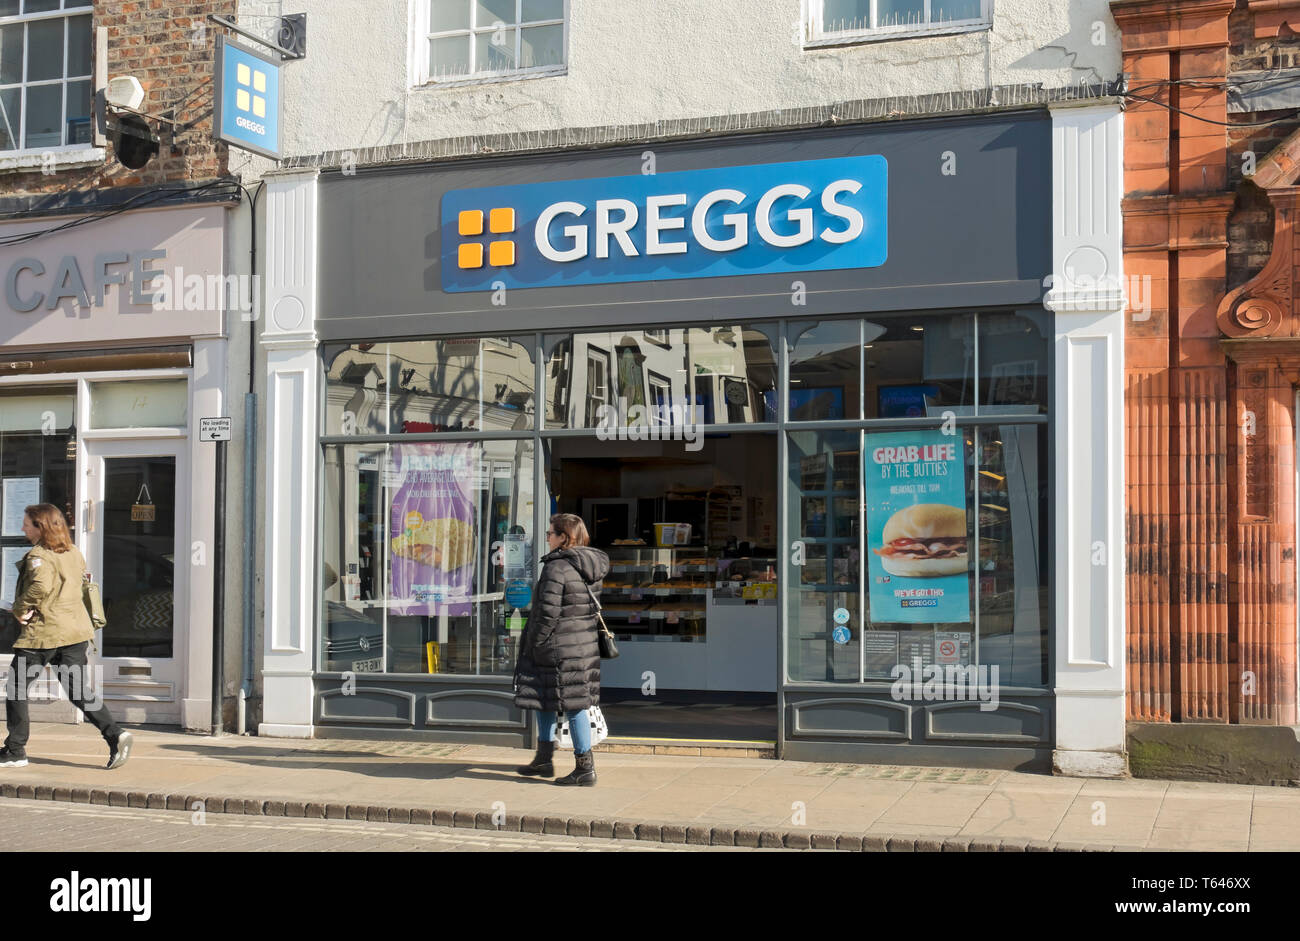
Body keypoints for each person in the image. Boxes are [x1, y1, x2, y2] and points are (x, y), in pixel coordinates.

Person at [0, 504, 132, 770]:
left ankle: (15, 751)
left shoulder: (39, 556)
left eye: (27, 523)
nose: (22, 527)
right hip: (74, 632)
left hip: (43, 635)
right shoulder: (72, 552)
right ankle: (115, 734)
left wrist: (18, 608)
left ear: (41, 527)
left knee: (16, 688)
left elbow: (40, 586)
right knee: (78, 690)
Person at [513, 513, 609, 786]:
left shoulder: (557, 567)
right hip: (581, 645)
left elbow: (547, 614)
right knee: (545, 698)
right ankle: (544, 757)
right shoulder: (590, 564)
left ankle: (584, 768)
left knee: (574, 705)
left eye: (550, 533)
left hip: (555, 647)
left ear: (563, 538)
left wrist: (535, 643)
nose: (547, 537)